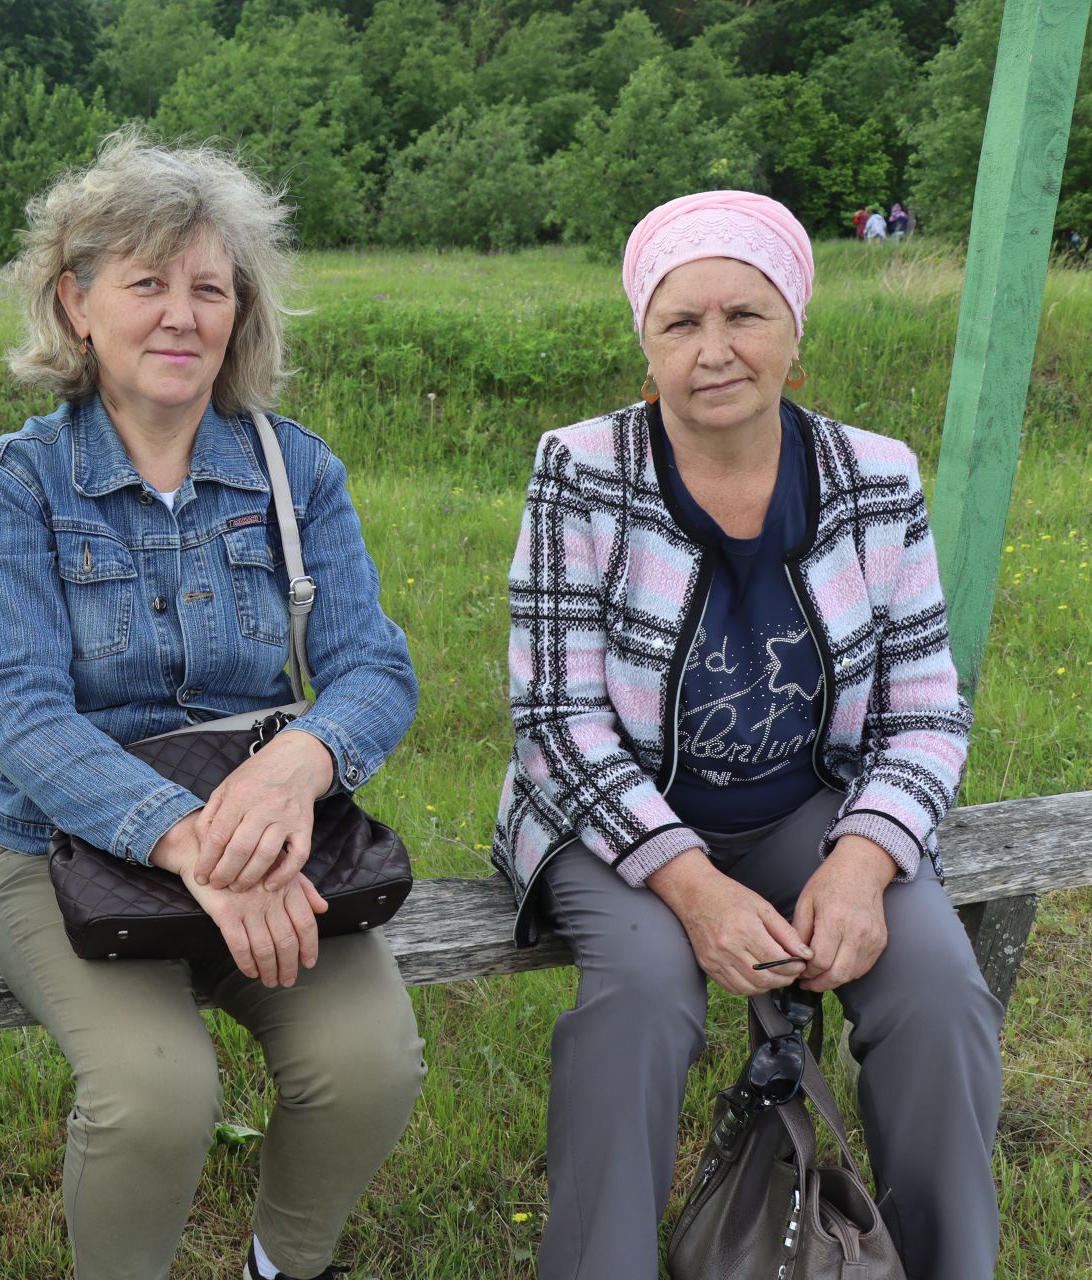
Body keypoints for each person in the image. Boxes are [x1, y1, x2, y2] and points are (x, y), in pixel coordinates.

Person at [490, 190, 1003, 1280]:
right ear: (646, 342)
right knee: (640, 992)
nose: (714, 349)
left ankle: (951, 1262)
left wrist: (864, 864)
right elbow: (555, 720)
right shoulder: (579, 468)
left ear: (795, 330)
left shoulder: (876, 476)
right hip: (613, 818)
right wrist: (691, 884)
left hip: (808, 807)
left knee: (938, 989)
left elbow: (924, 706)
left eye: (746, 315)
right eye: (681, 323)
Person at [0, 130, 425, 1280]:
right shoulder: (19, 481)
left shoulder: (295, 472)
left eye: (208, 286)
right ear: (76, 303)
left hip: (266, 833)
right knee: (159, 1097)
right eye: (147, 282)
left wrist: (295, 766)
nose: (181, 314)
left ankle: (284, 1264)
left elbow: (376, 668)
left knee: (371, 1063)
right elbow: (20, 709)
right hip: (67, 846)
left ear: (240, 310)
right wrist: (181, 839)